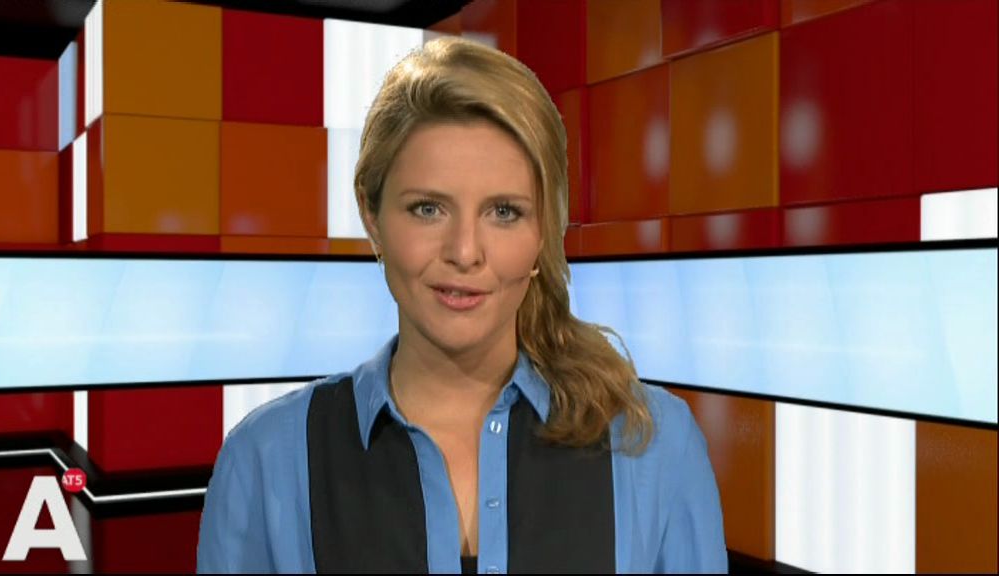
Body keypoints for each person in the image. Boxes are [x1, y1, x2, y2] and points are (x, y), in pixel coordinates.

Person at [197, 36, 727, 574]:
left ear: (546, 229)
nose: (465, 252)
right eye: (428, 209)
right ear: (371, 216)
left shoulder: (654, 444)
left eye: (504, 212)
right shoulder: (264, 462)